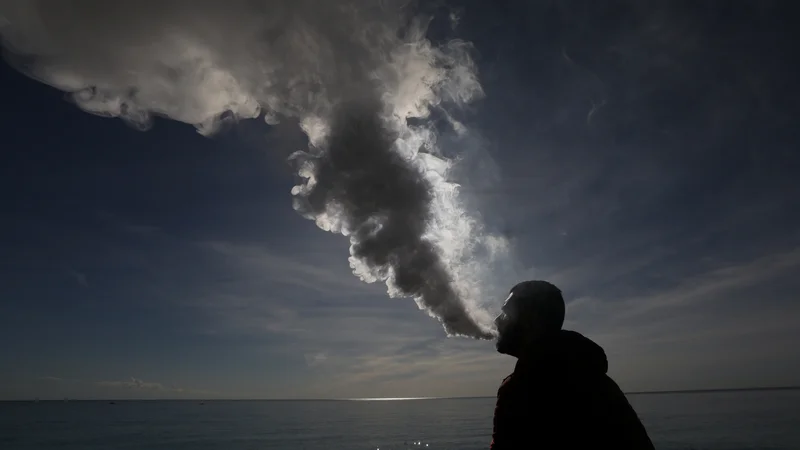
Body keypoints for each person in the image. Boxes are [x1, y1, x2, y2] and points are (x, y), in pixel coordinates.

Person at [490, 280, 654, 449]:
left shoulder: (521, 390)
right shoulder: (597, 381)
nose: (496, 321)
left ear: (531, 321)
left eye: (505, 314)